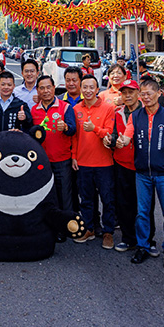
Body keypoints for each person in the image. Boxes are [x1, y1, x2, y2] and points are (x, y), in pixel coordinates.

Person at [124, 78, 164, 269]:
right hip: (142, 173)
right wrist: (118, 140)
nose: (146, 97)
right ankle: (143, 246)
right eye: (143, 93)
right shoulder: (135, 116)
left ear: (159, 94)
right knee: (142, 213)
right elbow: (127, 136)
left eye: (150, 93)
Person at [110, 80, 156, 253]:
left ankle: (148, 240)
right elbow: (114, 134)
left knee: (145, 205)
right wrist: (111, 141)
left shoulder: (147, 113)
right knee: (124, 203)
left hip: (143, 166)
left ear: (138, 93)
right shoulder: (118, 113)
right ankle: (128, 238)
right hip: (122, 163)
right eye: (124, 93)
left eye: (131, 92)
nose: (127, 96)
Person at [72, 75, 117, 247]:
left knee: (108, 199)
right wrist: (74, 156)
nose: (88, 90)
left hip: (104, 163)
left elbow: (109, 133)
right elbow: (75, 137)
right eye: (85, 87)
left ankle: (108, 232)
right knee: (86, 199)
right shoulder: (76, 109)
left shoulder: (108, 108)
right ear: (81, 89)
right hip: (83, 162)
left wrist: (94, 128)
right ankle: (88, 228)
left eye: (92, 87)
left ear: (97, 90)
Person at [32, 74, 77, 240]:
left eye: (48, 87)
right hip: (42, 162)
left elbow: (73, 129)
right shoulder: (33, 109)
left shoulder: (65, 108)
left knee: (65, 197)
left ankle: (66, 229)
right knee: (47, 197)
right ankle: (50, 227)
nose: (45, 91)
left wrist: (65, 126)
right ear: (37, 90)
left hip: (61, 160)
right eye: (42, 88)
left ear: (54, 88)